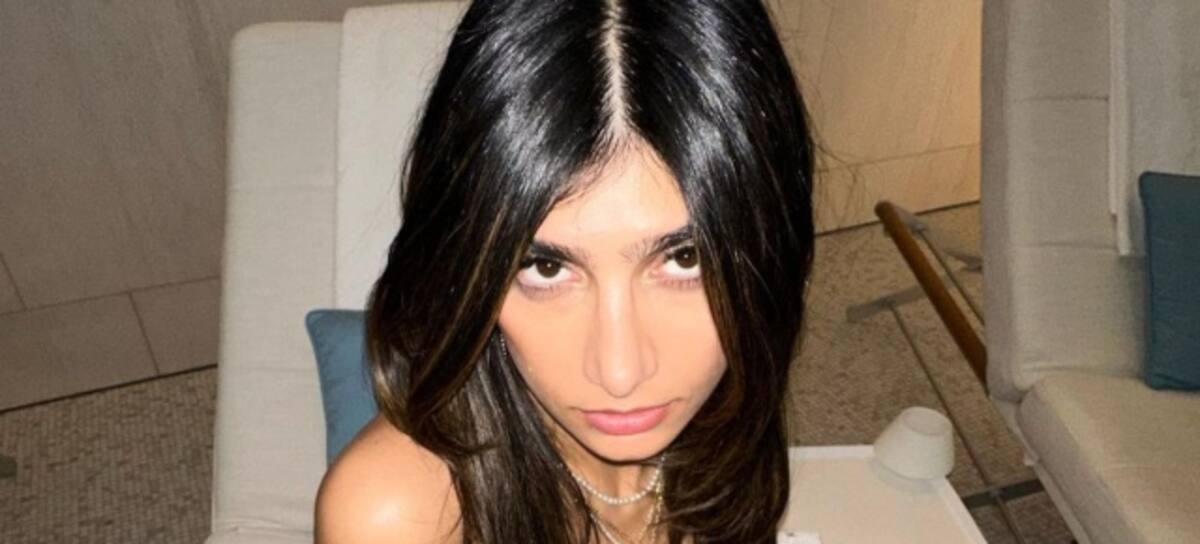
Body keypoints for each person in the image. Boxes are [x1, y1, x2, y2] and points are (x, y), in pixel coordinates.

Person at [315, 0, 815, 542]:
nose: (621, 374)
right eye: (547, 267)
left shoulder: (731, 393)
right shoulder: (392, 516)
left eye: (684, 258)